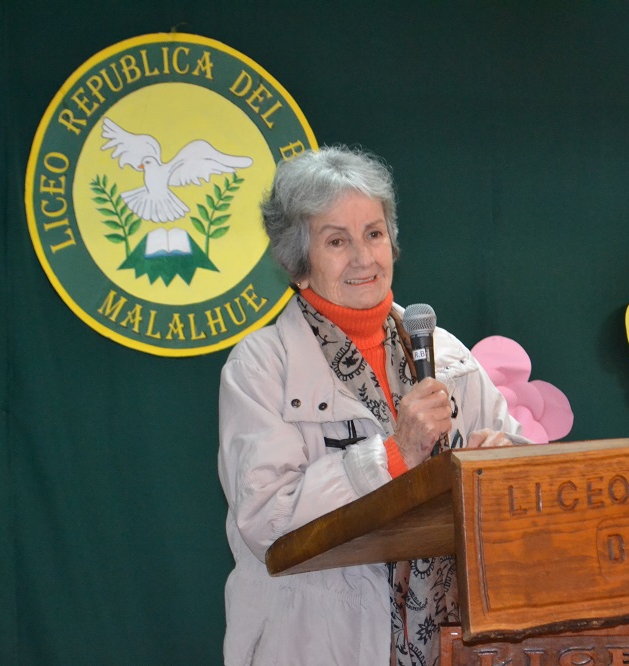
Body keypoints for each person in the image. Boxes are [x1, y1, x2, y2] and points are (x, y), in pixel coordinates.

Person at [217, 145, 526, 666]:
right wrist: (395, 452)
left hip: (454, 644)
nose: (364, 257)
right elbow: (268, 518)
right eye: (337, 240)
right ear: (299, 262)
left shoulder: (445, 354)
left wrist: (503, 460)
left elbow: (523, 466)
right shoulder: (260, 366)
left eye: (374, 234)